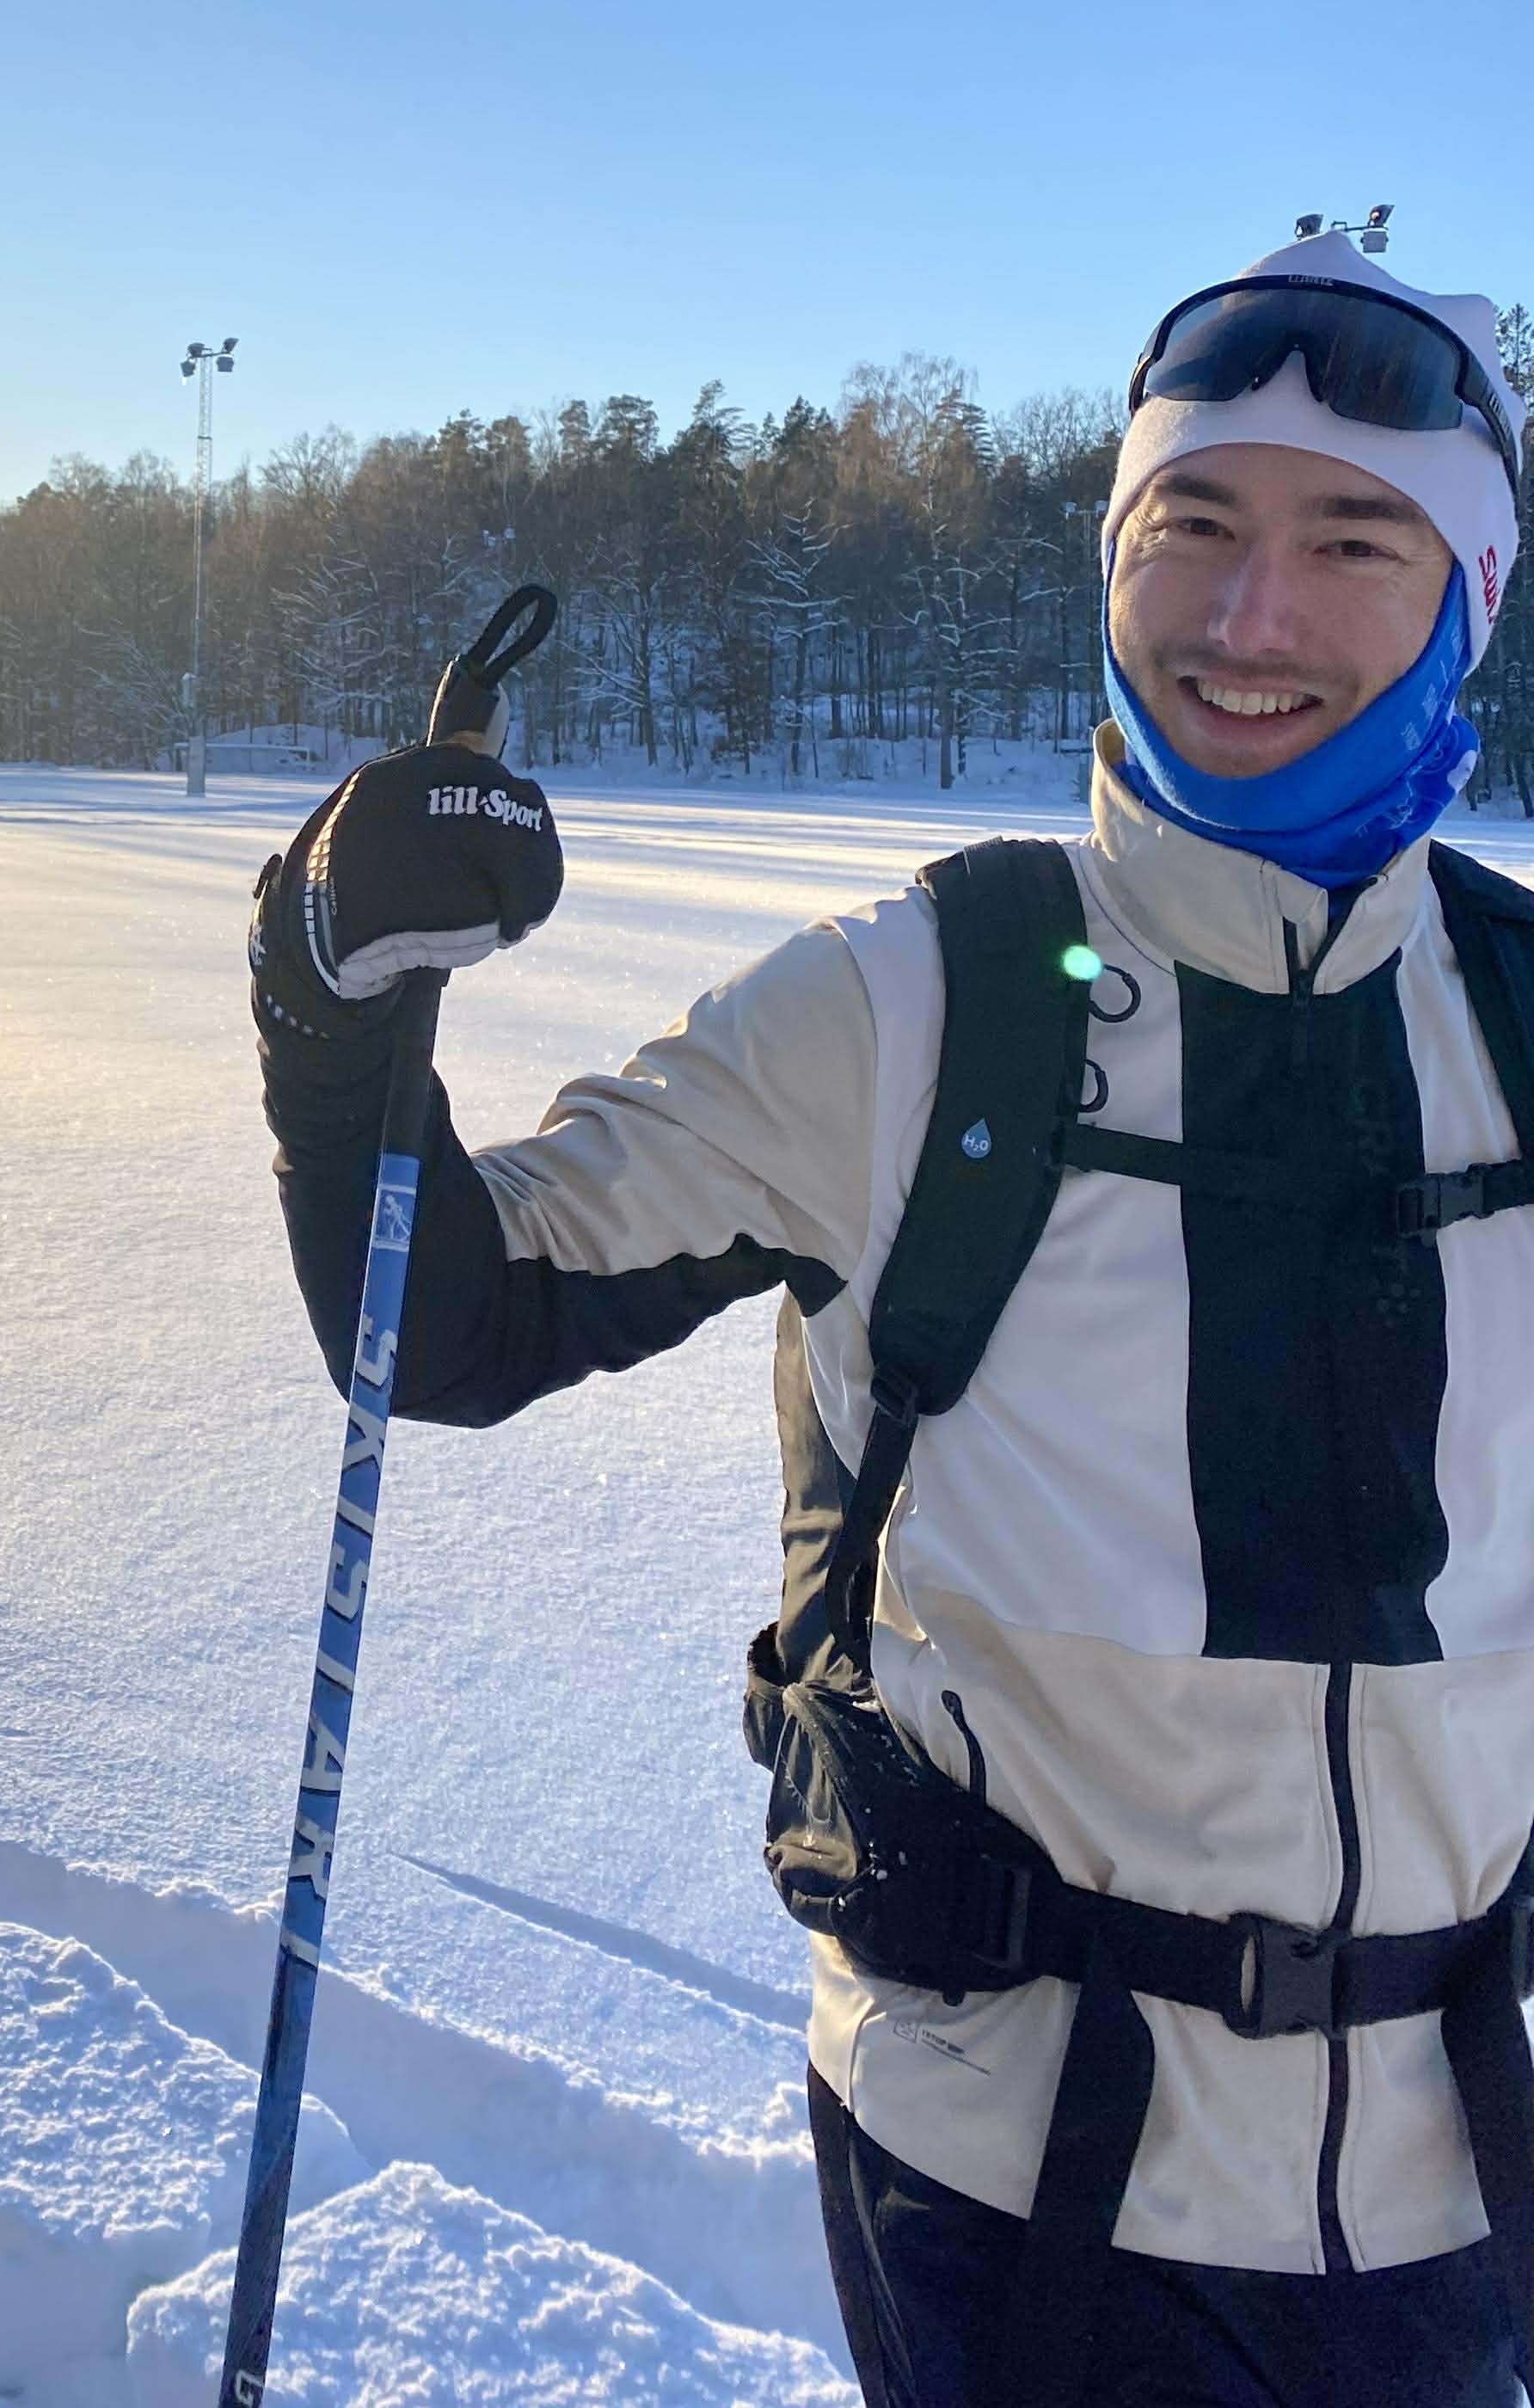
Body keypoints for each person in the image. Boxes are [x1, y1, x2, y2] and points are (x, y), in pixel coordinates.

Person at [249, 225, 1534, 2408]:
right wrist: (327, 987)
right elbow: (445, 1321)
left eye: (1352, 541)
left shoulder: (1517, 1017)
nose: (1250, 619)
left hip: (1462, 2184)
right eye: (1191, 527)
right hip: (1022, 2197)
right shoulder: (915, 1009)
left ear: (1469, 597)